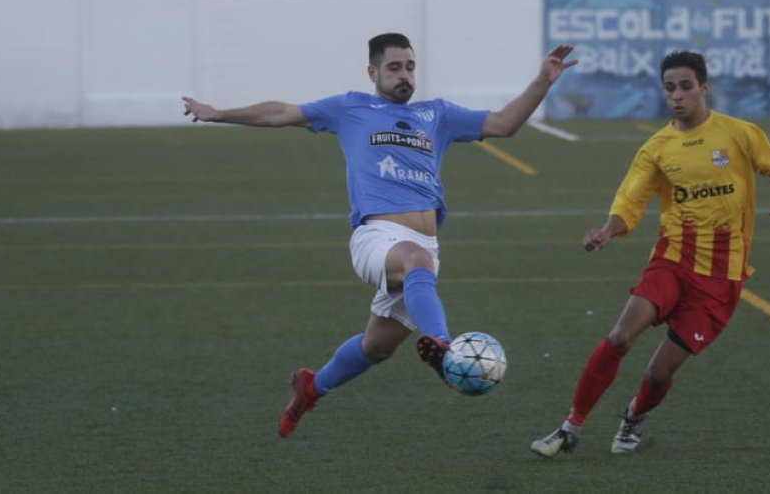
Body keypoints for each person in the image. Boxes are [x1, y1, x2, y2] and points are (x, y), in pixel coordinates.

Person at [182, 33, 576, 438]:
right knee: (416, 263)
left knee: (377, 347)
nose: (404, 75)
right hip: (377, 237)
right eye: (394, 67)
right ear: (373, 72)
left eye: (409, 67)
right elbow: (279, 112)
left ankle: (312, 388)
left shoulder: (436, 114)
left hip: (424, 249)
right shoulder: (351, 107)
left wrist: (544, 79)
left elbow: (504, 124)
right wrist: (217, 113)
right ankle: (442, 348)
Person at [530, 50, 770, 458]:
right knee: (621, 335)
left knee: (658, 374)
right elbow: (630, 202)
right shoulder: (657, 148)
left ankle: (635, 415)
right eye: (670, 88)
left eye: (686, 87)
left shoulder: (739, 134)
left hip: (720, 279)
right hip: (672, 260)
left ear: (704, 88)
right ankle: (570, 426)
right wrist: (607, 231)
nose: (677, 96)